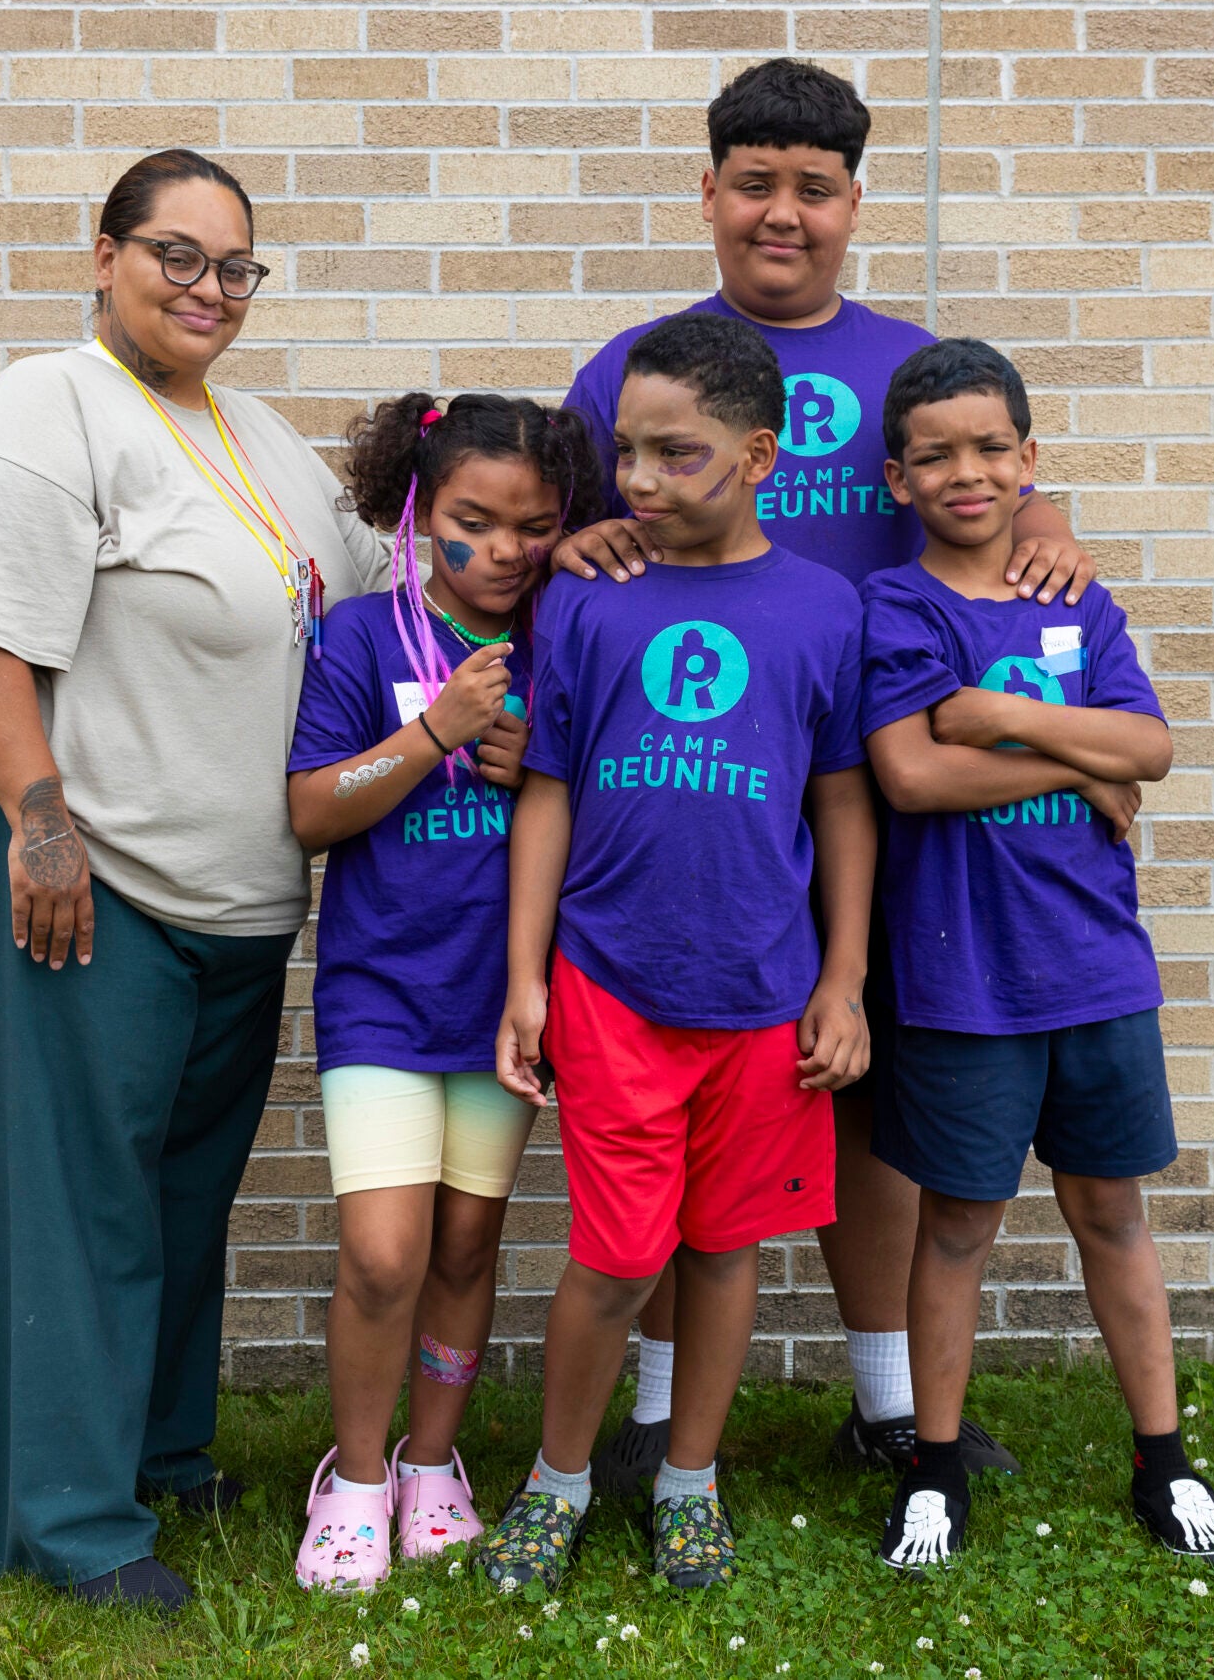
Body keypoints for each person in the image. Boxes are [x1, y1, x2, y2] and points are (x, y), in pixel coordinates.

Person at [553, 57, 1102, 1491]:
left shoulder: (901, 363)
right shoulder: (629, 364)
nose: (781, 212)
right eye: (755, 182)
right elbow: (555, 528)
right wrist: (576, 541)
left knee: (862, 1092)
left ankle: (882, 1396)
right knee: (684, 1096)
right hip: (695, 790)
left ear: (857, 202)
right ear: (710, 192)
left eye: (814, 187)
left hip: (880, 775)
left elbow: (999, 493)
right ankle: (659, 1417)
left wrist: (1059, 537)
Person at [0, 148, 394, 1611]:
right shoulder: (45, 410)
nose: (208, 288)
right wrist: (37, 818)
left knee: (181, 1187)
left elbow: (381, 573)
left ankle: (163, 1451)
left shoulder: (255, 435)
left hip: (226, 889)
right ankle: (68, 1516)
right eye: (176, 254)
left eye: (235, 266)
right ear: (103, 252)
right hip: (82, 857)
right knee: (74, 1193)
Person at [482, 312, 876, 1593]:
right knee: (616, 1254)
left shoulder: (824, 610)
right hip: (614, 984)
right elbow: (546, 786)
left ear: (760, 455)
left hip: (763, 996)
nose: (640, 482)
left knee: (721, 1252)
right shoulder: (590, 602)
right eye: (628, 454)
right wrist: (527, 977)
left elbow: (841, 801)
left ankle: (690, 1482)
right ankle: (558, 1478)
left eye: (675, 455)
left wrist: (843, 979)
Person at [857, 339, 1214, 1570]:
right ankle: (933, 1465)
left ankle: (1164, 1458)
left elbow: (1156, 749)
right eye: (935, 455)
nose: (965, 473)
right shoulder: (895, 607)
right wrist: (1087, 756)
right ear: (896, 478)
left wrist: (1015, 719)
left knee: (1112, 1215)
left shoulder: (1078, 599)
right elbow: (914, 774)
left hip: (1096, 972)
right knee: (958, 1226)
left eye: (988, 449)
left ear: (1030, 460)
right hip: (962, 974)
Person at [283, 392, 603, 1592]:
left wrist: (539, 768)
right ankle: (354, 1483)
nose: (506, 550)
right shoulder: (365, 638)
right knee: (381, 1253)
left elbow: (610, 817)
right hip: (380, 993)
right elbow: (313, 807)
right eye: (474, 520)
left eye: (534, 525)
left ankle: (433, 1466)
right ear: (418, 510)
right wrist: (438, 734)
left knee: (467, 1247)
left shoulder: (567, 646)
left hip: (506, 998)